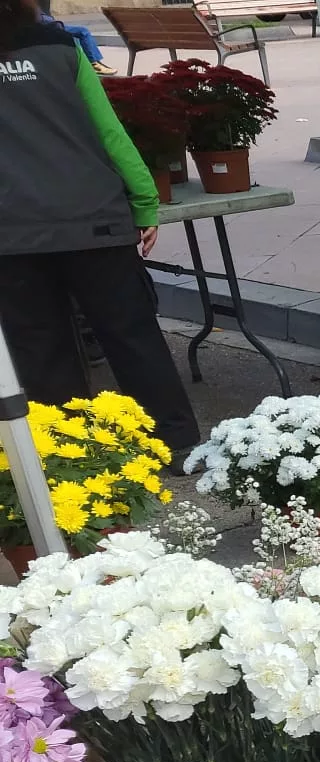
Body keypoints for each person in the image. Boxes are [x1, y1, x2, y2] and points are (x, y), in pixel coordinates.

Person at [0, 0, 203, 457]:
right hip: (93, 218)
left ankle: (77, 459)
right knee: (131, 335)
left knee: (40, 349)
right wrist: (145, 202)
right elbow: (109, 132)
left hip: (11, 234)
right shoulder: (61, 47)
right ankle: (176, 444)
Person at [34, 0, 110, 75]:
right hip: (47, 25)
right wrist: (56, 24)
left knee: (78, 34)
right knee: (83, 32)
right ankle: (94, 63)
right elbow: (38, 16)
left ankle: (94, 62)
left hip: (47, 23)